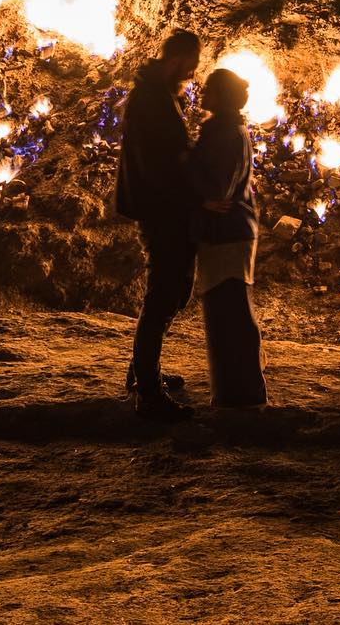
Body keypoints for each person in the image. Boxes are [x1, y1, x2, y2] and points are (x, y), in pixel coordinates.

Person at [115, 28, 201, 422]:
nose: (195, 71)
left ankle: (142, 372)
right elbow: (158, 163)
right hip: (164, 210)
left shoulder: (158, 94)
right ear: (178, 59)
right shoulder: (151, 100)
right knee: (164, 295)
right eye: (193, 62)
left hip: (168, 207)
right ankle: (148, 391)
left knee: (173, 292)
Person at [187, 67, 268, 408]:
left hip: (227, 233)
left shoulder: (222, 132)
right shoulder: (231, 129)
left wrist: (188, 181)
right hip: (234, 230)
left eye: (208, 90)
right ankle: (239, 391)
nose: (202, 95)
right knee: (230, 310)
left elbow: (218, 189)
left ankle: (240, 395)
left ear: (220, 96)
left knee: (228, 311)